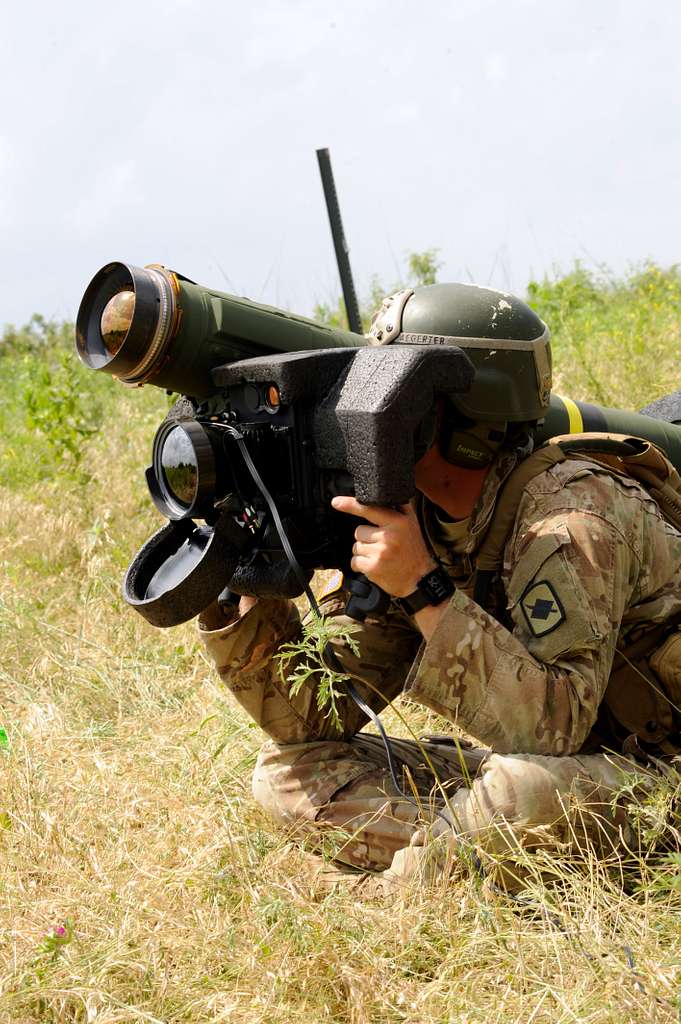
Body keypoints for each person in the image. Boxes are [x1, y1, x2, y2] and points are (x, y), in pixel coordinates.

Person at [198, 283, 681, 890]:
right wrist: (241, 583)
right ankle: (469, 855)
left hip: (656, 777)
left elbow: (555, 731)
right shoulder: (417, 516)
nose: (357, 414)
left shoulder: (570, 518)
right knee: (289, 776)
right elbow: (325, 714)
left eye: (390, 396)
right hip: (560, 775)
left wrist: (423, 588)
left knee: (515, 795)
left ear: (465, 422)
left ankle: (430, 880)